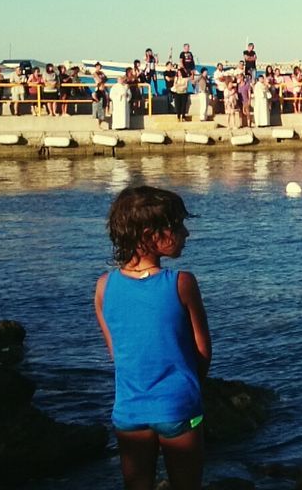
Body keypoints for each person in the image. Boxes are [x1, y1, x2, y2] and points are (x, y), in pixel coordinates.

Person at [94, 186, 210, 490]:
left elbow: (116, 354)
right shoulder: (182, 283)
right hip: (178, 405)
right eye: (178, 226)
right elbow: (203, 352)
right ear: (149, 235)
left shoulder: (104, 287)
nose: (186, 233)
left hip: (130, 410)